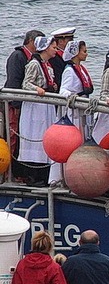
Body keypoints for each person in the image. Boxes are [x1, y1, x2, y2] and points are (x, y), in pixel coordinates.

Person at [5, 30, 45, 178]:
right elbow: (14, 81)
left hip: (27, 105)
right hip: (16, 104)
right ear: (32, 42)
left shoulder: (32, 58)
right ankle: (11, 173)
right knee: (14, 138)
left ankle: (20, 172)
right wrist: (16, 104)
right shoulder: (18, 56)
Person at [18, 37, 58, 186]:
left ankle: (43, 173)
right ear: (46, 48)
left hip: (45, 105)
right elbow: (26, 83)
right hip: (35, 106)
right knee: (35, 136)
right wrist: (37, 89)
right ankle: (33, 175)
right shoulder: (34, 64)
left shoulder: (47, 65)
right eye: (53, 47)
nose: (55, 50)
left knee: (44, 136)